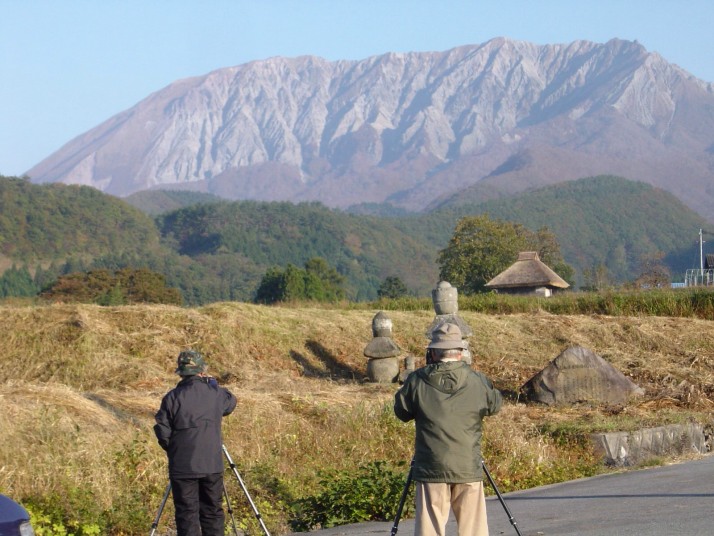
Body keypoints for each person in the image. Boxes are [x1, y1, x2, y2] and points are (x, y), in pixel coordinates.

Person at [394, 323, 502, 536]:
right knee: (474, 530)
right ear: (461, 353)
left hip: (431, 466)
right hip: (467, 464)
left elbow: (401, 412)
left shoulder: (417, 380)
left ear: (433, 352)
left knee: (429, 530)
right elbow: (495, 405)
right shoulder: (477, 380)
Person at [154, 349, 237, 536]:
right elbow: (231, 402)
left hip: (182, 466)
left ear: (181, 372)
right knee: (212, 511)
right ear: (202, 371)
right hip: (211, 463)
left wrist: (175, 449)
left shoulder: (172, 398)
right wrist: (214, 385)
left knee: (187, 514)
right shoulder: (215, 394)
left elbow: (162, 430)